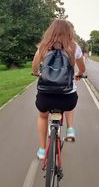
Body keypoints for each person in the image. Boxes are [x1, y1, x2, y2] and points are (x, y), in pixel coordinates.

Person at [32, 19, 85, 159]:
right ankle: (70, 129)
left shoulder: (43, 47)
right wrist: (79, 74)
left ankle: (42, 150)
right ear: (69, 32)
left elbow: (34, 66)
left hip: (46, 96)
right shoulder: (74, 47)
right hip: (67, 99)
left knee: (43, 116)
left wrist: (36, 73)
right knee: (70, 97)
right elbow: (82, 68)